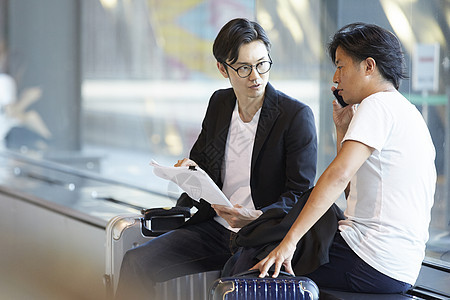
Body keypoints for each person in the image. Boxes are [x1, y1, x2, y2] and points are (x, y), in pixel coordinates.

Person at [115, 18, 317, 299]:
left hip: (259, 235)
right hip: (214, 229)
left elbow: (300, 194)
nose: (255, 77)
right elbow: (202, 162)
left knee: (232, 288)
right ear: (223, 68)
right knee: (137, 262)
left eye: (262, 64)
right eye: (244, 68)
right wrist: (188, 171)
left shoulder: (294, 116)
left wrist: (256, 217)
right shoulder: (220, 104)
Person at [253, 22, 436, 294]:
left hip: (370, 259)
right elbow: (353, 191)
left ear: (369, 66)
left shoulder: (377, 105)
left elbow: (338, 177)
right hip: (399, 267)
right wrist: (342, 129)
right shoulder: (407, 111)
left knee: (260, 259)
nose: (335, 78)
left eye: (341, 66)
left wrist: (290, 242)